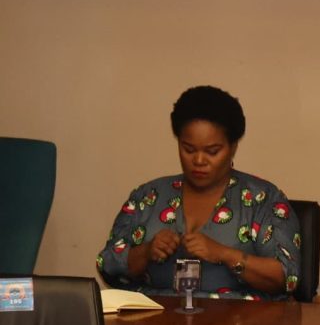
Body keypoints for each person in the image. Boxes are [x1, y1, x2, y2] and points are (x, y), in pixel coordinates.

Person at [97, 85, 302, 299]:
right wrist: (146, 252)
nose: (199, 160)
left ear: (233, 147)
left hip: (239, 318)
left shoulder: (262, 199)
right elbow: (108, 266)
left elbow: (287, 277)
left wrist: (224, 254)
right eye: (188, 149)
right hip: (156, 316)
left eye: (212, 151)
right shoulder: (148, 197)